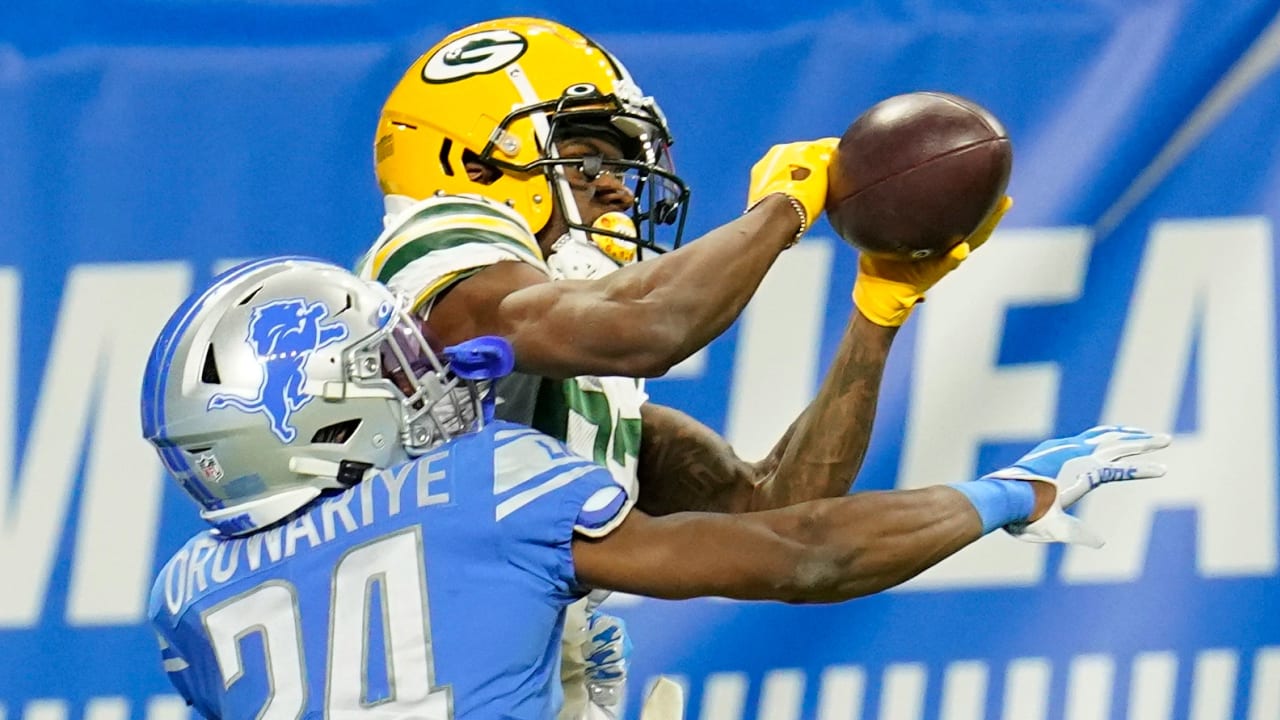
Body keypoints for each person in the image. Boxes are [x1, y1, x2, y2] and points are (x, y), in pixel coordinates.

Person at [143, 257, 1169, 720]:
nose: (426, 379)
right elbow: (798, 552)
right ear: (306, 414)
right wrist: (1005, 495)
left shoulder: (186, 593)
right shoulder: (486, 484)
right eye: (389, 366)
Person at [358, 17, 1013, 716]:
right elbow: (651, 327)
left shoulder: (570, 385)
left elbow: (777, 512)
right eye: (586, 159)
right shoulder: (433, 252)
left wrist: (877, 314)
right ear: (476, 166)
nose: (617, 190)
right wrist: (784, 208)